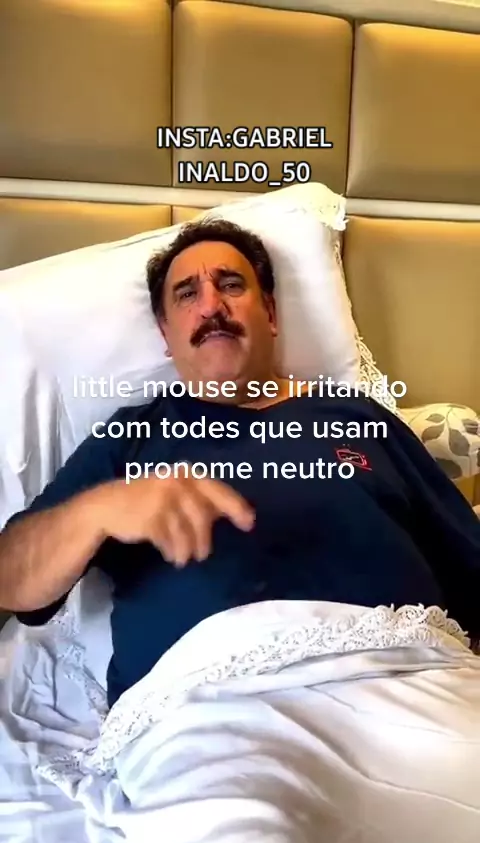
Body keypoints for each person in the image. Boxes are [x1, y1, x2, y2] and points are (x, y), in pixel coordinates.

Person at [0, 218, 479, 710]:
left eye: (230, 285)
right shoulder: (131, 438)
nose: (211, 306)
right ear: (166, 333)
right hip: (211, 708)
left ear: (269, 313)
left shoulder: (359, 417)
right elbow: (11, 582)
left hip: (412, 682)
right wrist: (98, 510)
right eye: (187, 294)